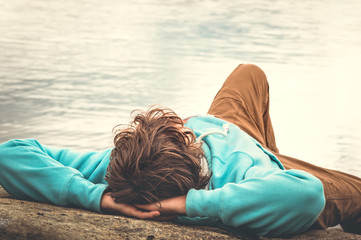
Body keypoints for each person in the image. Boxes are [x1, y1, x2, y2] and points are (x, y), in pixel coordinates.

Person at [0, 64, 360, 237]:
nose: (183, 128)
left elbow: (10, 153)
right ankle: (275, 166)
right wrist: (187, 205)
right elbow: (306, 194)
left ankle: (270, 160)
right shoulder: (233, 178)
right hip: (253, 165)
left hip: (226, 124)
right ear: (198, 177)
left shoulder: (122, 170)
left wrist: (99, 199)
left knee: (249, 73)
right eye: (186, 135)